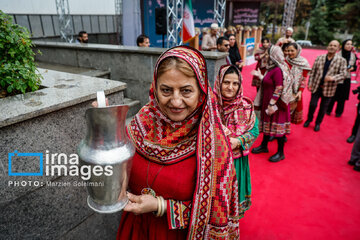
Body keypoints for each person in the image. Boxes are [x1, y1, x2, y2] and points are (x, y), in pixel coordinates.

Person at [116, 46, 240, 239]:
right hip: (135, 229)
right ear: (154, 89)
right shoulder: (141, 124)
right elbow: (117, 170)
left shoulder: (215, 145)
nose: (175, 101)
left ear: (201, 91)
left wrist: (161, 206)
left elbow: (215, 219)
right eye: (166, 90)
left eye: (186, 91)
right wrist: (104, 129)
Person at [214, 65, 259, 218]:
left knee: (232, 195)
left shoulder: (246, 106)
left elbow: (254, 130)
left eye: (235, 84)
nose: (230, 87)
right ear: (219, 82)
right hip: (213, 161)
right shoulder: (209, 106)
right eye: (226, 82)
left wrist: (238, 141)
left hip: (236, 162)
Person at [251, 45, 293, 162]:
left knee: (278, 128)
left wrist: (271, 103)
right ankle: (264, 146)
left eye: (268, 53)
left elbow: (279, 88)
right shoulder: (272, 68)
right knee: (268, 124)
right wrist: (260, 76)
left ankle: (281, 153)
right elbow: (268, 82)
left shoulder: (278, 70)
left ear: (273, 55)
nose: (266, 55)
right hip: (269, 102)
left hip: (276, 105)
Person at [303, 40, 347, 132]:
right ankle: (309, 119)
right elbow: (313, 71)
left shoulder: (342, 61)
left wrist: (333, 78)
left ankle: (318, 123)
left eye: (335, 46)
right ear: (327, 47)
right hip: (316, 86)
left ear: (338, 48)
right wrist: (309, 83)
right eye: (330, 45)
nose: (332, 47)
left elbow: (343, 74)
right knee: (312, 105)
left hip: (329, 89)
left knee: (323, 108)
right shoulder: (319, 58)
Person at [326, 39, 357, 117]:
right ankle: (328, 110)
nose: (350, 46)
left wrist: (352, 68)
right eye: (347, 44)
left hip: (346, 78)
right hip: (337, 77)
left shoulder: (353, 55)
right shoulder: (337, 54)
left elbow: (355, 67)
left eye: (351, 44)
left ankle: (339, 112)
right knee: (333, 95)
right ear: (343, 45)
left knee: (343, 96)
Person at [285, 42, 311, 124]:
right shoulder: (285, 61)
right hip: (283, 92)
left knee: (291, 113)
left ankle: (284, 133)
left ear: (298, 50)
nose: (289, 53)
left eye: (292, 50)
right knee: (281, 113)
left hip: (296, 92)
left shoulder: (303, 63)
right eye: (288, 51)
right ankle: (279, 134)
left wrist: (300, 91)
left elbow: (303, 79)